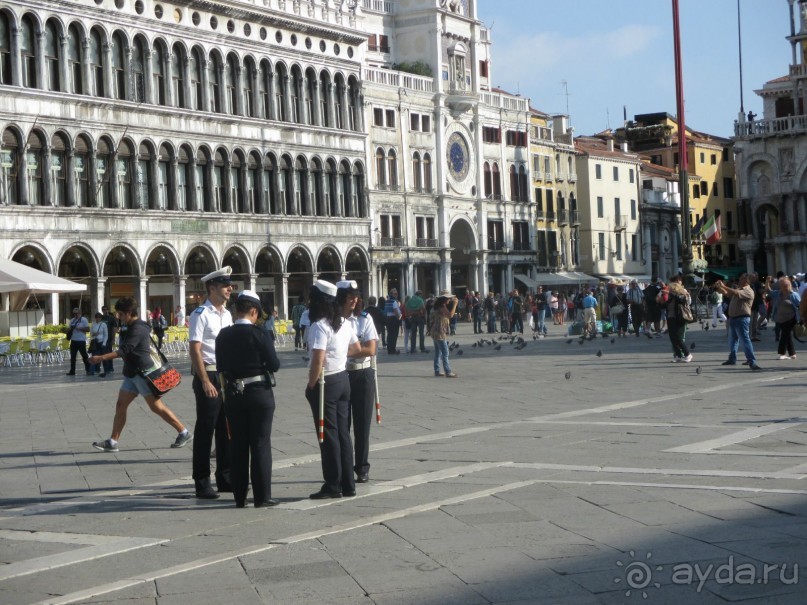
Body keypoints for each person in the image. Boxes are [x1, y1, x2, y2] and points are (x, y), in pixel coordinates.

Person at [89, 297, 192, 453]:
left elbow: (124, 350)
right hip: (132, 374)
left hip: (143, 374)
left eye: (121, 314)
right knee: (120, 405)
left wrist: (100, 358)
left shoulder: (138, 328)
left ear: (129, 313)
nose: (119, 317)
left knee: (156, 407)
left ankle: (183, 432)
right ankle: (113, 441)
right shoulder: (131, 326)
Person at [215, 290, 281, 508]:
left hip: (234, 395)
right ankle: (262, 497)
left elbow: (221, 366)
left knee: (238, 444)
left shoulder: (223, 335)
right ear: (253, 311)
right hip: (259, 393)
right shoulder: (260, 334)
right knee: (261, 443)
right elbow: (274, 365)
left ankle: (240, 496)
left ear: (236, 311)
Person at [304, 279, 361, 499]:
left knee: (328, 435)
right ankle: (348, 484)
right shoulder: (344, 323)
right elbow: (355, 348)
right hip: (342, 379)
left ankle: (332, 484)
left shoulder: (320, 325)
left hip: (326, 382)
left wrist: (311, 384)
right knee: (343, 434)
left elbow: (317, 359)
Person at [189, 266, 234, 500]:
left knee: (226, 429)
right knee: (206, 429)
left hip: (225, 375)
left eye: (230, 285)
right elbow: (194, 349)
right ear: (212, 287)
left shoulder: (226, 314)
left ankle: (225, 478)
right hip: (208, 374)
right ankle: (202, 481)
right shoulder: (200, 314)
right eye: (225, 285)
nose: (230, 288)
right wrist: (204, 379)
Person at [337, 281, 378, 484]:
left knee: (362, 425)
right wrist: (356, 348)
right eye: (349, 295)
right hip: (341, 374)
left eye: (356, 296)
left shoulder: (364, 318)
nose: (354, 299)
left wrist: (343, 350)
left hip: (362, 374)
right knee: (341, 426)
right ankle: (343, 468)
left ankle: (362, 467)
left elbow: (371, 349)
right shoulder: (333, 320)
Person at [715, 274, 761, 371]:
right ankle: (732, 358)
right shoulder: (739, 290)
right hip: (733, 318)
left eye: (740, 279)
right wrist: (719, 287)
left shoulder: (748, 291)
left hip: (742, 319)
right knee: (733, 340)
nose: (738, 281)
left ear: (746, 281)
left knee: (745, 340)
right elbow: (728, 294)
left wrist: (723, 286)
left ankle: (752, 361)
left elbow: (735, 293)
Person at [765, 276, 801, 360]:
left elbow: (800, 305)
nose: (784, 287)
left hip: (791, 318)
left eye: (785, 285)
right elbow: (768, 291)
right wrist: (767, 281)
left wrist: (802, 315)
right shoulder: (778, 293)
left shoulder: (793, 295)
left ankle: (782, 353)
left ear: (789, 285)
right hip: (781, 318)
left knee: (784, 335)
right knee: (787, 335)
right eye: (782, 285)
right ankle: (792, 353)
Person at [430, 291, 458, 377]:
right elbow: (450, 315)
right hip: (440, 332)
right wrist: (455, 304)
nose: (450, 299)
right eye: (449, 298)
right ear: (444, 299)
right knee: (445, 353)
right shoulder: (441, 306)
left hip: (435, 331)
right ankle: (448, 371)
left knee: (438, 353)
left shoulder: (437, 306)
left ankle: (437, 370)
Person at [665, 275, 693, 362]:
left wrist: (673, 294)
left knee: (678, 338)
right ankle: (678, 355)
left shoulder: (682, 291)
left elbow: (685, 301)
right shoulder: (670, 292)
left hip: (679, 317)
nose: (677, 283)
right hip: (670, 316)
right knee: (672, 338)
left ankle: (688, 354)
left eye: (678, 281)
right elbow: (666, 304)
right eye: (675, 281)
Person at [66, 307, 91, 376]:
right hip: (73, 340)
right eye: (74, 313)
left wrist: (79, 328)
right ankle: (72, 371)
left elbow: (88, 329)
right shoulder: (72, 320)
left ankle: (88, 369)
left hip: (81, 340)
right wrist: (69, 330)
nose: (75, 315)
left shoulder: (84, 320)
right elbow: (69, 328)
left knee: (84, 356)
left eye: (76, 313)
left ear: (80, 313)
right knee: (73, 357)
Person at [101, 305, 118, 375]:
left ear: (108, 310)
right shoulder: (101, 318)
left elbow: (114, 329)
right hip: (102, 338)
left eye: (106, 309)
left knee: (109, 353)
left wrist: (113, 338)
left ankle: (110, 367)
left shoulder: (111, 318)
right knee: (103, 353)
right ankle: (106, 368)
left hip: (109, 338)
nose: (105, 311)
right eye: (103, 310)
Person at [384, 288, 402, 354]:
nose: (396, 295)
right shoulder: (394, 302)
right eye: (395, 294)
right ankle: (393, 350)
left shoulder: (386, 301)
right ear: (391, 294)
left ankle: (389, 349)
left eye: (397, 293)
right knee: (394, 335)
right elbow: (395, 311)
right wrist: (399, 317)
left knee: (390, 334)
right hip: (394, 319)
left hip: (388, 319)